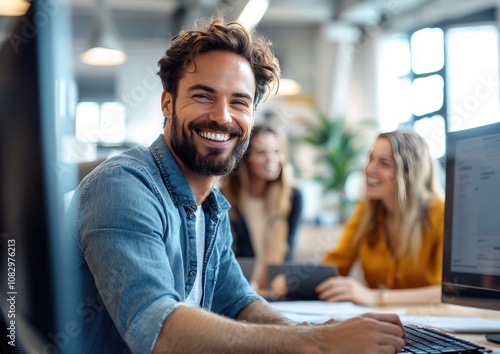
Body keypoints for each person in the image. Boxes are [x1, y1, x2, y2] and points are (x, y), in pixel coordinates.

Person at [67, 17, 405, 353]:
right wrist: (316, 342)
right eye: (203, 96)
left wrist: (305, 332)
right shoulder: (123, 186)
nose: (223, 117)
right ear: (167, 103)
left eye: (239, 102)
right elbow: (159, 329)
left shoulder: (211, 205)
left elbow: (239, 302)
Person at [272, 129, 445, 307]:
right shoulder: (367, 211)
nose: (369, 169)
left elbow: (449, 292)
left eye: (384, 164)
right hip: (384, 321)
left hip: (433, 324)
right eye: (370, 158)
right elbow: (337, 265)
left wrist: (375, 297)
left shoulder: (440, 213)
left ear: (409, 174)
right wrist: (297, 282)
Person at [219, 124, 303, 291]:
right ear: (244, 158)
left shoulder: (293, 197)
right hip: (240, 289)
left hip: (277, 291)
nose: (272, 159)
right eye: (261, 153)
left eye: (277, 151)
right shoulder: (224, 199)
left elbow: (289, 252)